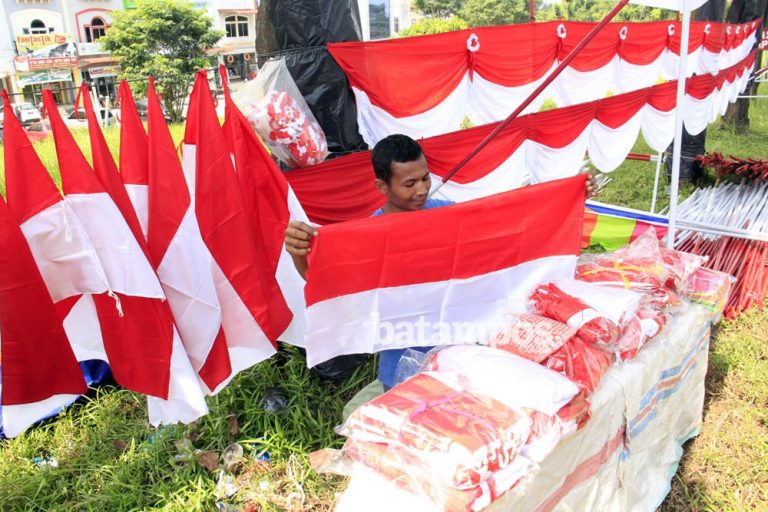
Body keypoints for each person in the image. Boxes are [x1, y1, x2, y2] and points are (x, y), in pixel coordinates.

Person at [285, 134, 598, 386]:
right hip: (403, 366)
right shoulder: (369, 235)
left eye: (424, 178)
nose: (421, 190)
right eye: (409, 184)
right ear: (382, 187)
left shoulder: (447, 213)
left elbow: (504, 227)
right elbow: (326, 281)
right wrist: (301, 252)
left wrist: (566, 197)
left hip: (461, 354)